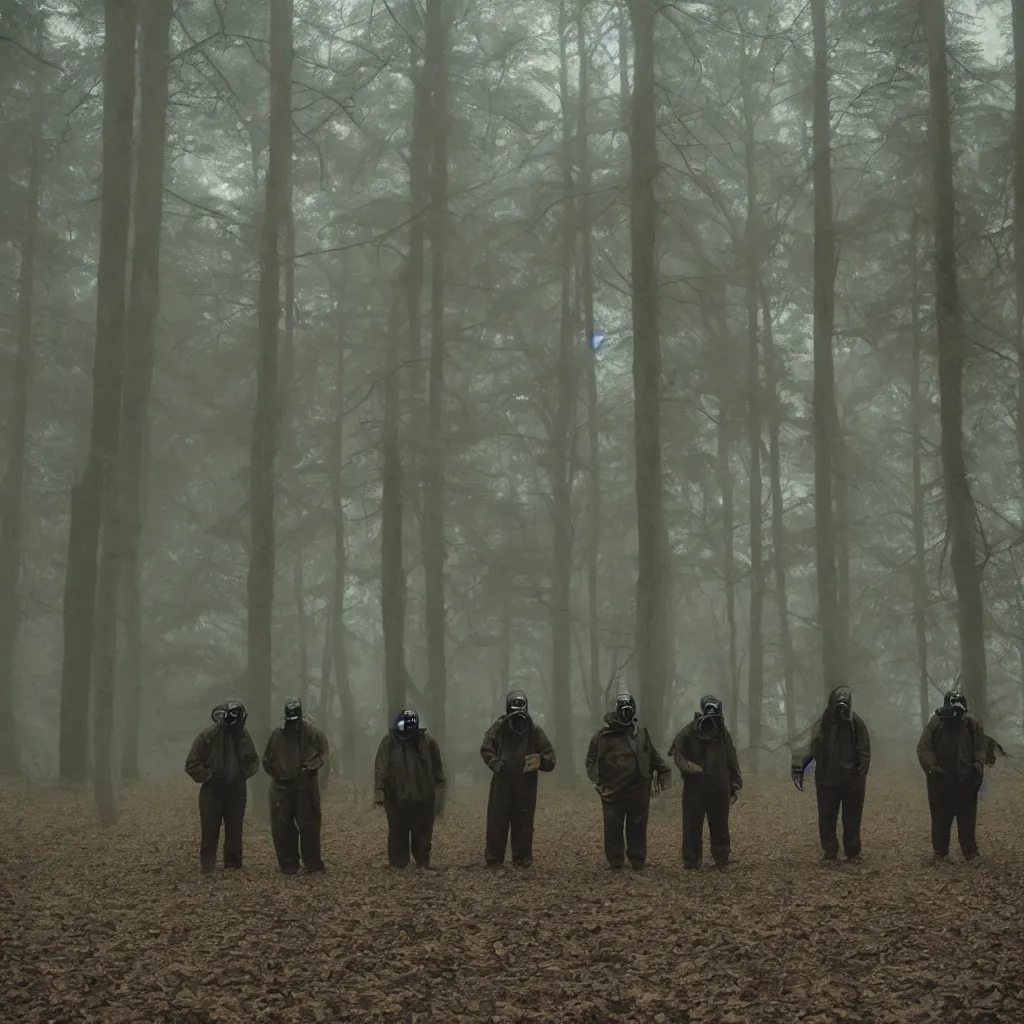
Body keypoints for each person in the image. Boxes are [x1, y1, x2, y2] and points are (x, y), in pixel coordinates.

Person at [585, 692, 671, 871]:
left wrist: (664, 771)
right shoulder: (602, 736)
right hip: (612, 790)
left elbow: (652, 755)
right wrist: (598, 782)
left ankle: (637, 859)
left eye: (628, 709)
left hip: (639, 788)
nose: (626, 713)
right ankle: (615, 861)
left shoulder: (641, 734)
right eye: (623, 709)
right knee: (612, 826)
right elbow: (591, 761)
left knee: (637, 825)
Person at [792, 686, 871, 863]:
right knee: (827, 817)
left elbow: (864, 748)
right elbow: (812, 748)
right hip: (827, 779)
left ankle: (852, 852)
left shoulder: (856, 722)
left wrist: (861, 771)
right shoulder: (823, 723)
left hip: (851, 780)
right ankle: (830, 850)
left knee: (852, 818)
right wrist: (800, 766)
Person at [480, 690, 556, 868]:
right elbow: (486, 748)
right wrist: (497, 764)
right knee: (497, 820)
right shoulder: (498, 728)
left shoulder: (534, 730)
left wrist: (540, 761)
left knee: (524, 820)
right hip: (502, 781)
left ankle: (522, 859)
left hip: (526, 782)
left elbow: (550, 757)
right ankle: (494, 859)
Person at [184, 700, 259, 873]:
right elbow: (191, 764)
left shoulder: (243, 735)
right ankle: (208, 863)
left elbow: (253, 760)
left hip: (236, 789)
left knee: (235, 827)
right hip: (212, 789)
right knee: (210, 826)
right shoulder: (208, 735)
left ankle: (233, 863)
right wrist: (209, 775)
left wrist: (241, 775)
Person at [669, 695, 741, 869]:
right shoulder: (690, 731)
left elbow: (731, 759)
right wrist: (687, 767)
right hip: (695, 788)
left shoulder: (723, 733)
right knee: (692, 824)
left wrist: (735, 784)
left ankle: (721, 857)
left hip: (719, 786)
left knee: (720, 824)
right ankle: (692, 860)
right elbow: (677, 752)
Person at [917, 688, 985, 864]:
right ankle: (940, 852)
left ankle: (970, 852)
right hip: (941, 779)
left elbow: (980, 748)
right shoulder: (936, 723)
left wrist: (977, 769)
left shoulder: (972, 724)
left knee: (967, 818)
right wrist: (932, 768)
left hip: (966, 778)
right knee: (941, 817)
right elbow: (924, 747)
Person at [261, 699, 328, 874]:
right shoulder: (277, 734)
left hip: (305, 786)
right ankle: (288, 864)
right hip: (281, 787)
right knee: (282, 826)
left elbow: (323, 753)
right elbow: (267, 759)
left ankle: (312, 863)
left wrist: (309, 768)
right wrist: (278, 774)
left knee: (309, 825)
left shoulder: (312, 733)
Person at [374, 708, 446, 869]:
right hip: (396, 796)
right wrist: (379, 793)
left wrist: (440, 795)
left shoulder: (428, 742)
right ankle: (399, 862)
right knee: (397, 831)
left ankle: (422, 860)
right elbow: (380, 767)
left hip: (424, 796)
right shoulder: (389, 741)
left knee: (423, 832)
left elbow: (438, 769)